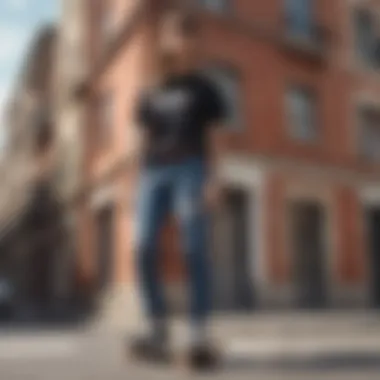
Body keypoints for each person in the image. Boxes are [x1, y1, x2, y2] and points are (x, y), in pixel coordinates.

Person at [129, 6, 226, 367]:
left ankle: (199, 332)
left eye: (190, 32)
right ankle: (157, 327)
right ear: (166, 39)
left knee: (193, 246)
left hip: (191, 168)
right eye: (177, 32)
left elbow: (216, 138)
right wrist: (132, 184)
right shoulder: (150, 89)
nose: (183, 39)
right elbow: (141, 138)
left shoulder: (205, 88)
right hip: (153, 172)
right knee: (141, 245)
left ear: (195, 41)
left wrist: (216, 178)